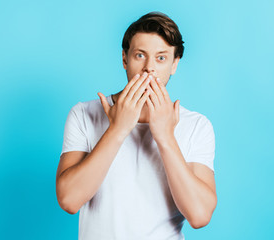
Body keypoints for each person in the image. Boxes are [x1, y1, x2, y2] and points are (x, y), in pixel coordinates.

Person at [55, 12, 217, 239]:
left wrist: (165, 137)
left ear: (174, 65)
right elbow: (69, 200)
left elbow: (199, 216)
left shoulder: (197, 126)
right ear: (125, 58)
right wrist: (118, 129)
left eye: (161, 58)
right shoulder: (84, 114)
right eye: (140, 55)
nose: (149, 68)